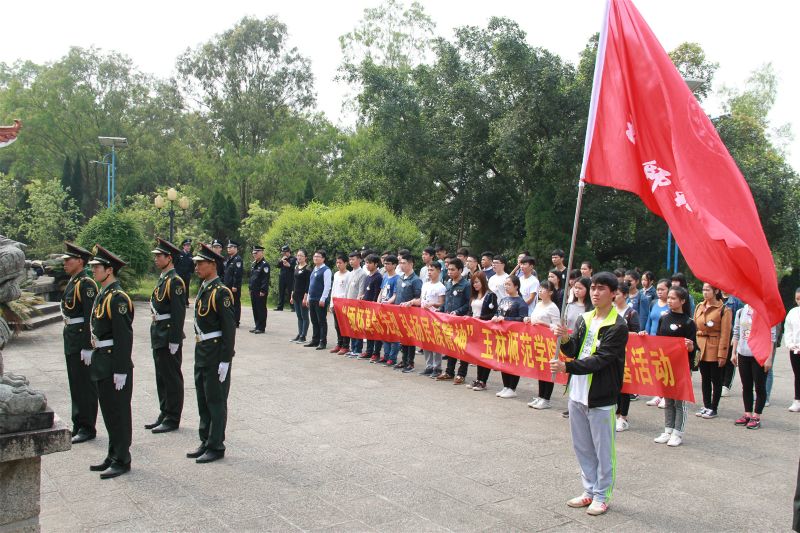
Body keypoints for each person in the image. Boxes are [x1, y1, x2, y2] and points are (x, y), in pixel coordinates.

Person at [550, 272, 628, 516]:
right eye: (592, 288)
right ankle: (589, 490)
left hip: (601, 395)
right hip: (578, 392)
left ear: (613, 293)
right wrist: (564, 339)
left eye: (601, 288)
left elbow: (601, 360)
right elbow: (575, 349)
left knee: (603, 449)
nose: (595, 292)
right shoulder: (584, 318)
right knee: (582, 446)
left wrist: (567, 367)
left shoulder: (618, 325)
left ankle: (602, 495)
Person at [87, 245, 134, 479]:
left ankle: (122, 458)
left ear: (109, 270)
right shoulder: (103, 294)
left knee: (119, 413)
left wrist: (121, 369)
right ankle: (113, 454)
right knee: (108, 412)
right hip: (101, 361)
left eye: (97, 267)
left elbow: (124, 337)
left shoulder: (118, 298)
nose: (93, 270)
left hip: (113, 362)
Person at [187, 243, 236, 464]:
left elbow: (228, 328)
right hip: (203, 350)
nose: (196, 267)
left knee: (215, 400)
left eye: (200, 263)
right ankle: (205, 439)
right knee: (202, 398)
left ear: (212, 265)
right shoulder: (205, 288)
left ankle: (216, 444)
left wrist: (226, 359)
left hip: (216, 352)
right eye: (196, 263)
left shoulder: (221, 292)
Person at [146, 238, 187, 435]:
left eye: (159, 256)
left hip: (168, 333)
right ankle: (164, 411)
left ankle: (173, 416)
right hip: (158, 332)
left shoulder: (175, 281)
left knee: (171, 377)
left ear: (169, 258)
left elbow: (178, 313)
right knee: (161, 376)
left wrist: (175, 339)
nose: (156, 259)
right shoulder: (164, 278)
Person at [59, 242, 99, 444]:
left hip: (81, 340)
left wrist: (88, 346)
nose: (65, 263)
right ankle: (78, 423)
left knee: (85, 385)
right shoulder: (75, 281)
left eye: (69, 260)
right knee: (75, 384)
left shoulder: (86, 284)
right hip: (71, 338)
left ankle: (87, 426)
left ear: (80, 262)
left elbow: (90, 317)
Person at [648, 286, 696, 447]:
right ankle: (668, 430)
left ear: (683, 301)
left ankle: (678, 433)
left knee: (679, 401)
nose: (669, 300)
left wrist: (690, 347)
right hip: (665, 364)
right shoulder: (664, 318)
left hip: (681, 367)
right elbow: (659, 341)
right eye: (668, 297)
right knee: (668, 399)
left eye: (673, 298)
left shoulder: (689, 322)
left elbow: (693, 348)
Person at [731, 303, 776, 430]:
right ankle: (747, 414)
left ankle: (756, 416)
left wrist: (769, 357)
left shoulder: (765, 312)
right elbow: (736, 332)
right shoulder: (741, 311)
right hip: (743, 353)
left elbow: (771, 337)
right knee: (746, 385)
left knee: (760, 386)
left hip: (759, 354)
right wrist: (733, 352)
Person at [693, 283, 732, 419]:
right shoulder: (699, 306)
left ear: (716, 291)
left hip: (714, 346)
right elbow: (694, 326)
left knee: (716, 379)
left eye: (707, 290)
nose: (705, 292)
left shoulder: (724, 309)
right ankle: (706, 405)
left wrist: (722, 354)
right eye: (703, 289)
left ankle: (713, 407)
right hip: (701, 345)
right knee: (704, 378)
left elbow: (725, 334)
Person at [525, 280, 561, 409]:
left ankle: (546, 398)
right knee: (540, 369)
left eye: (544, 289)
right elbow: (534, 318)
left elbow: (557, 327)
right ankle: (540, 396)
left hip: (548, 343)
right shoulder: (539, 304)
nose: (540, 291)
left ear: (550, 292)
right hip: (537, 341)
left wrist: (543, 324)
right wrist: (529, 319)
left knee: (548, 370)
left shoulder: (553, 307)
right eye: (539, 289)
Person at [435, 258, 471, 381]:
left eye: (452, 269)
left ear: (460, 270)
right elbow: (446, 301)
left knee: (462, 348)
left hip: (461, 321)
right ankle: (449, 372)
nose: (449, 272)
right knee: (450, 346)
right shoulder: (448, 283)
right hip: (448, 321)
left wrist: (457, 312)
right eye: (448, 269)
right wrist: (440, 310)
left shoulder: (466, 285)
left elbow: (468, 303)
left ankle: (461, 374)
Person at [492, 275, 528, 398]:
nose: (506, 287)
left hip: (514, 336)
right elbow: (498, 311)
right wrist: (496, 317)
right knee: (503, 359)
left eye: (509, 284)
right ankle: (506, 386)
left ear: (516, 286)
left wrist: (506, 319)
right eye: (505, 284)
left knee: (512, 361)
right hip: (502, 335)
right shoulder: (503, 300)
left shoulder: (521, 303)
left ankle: (512, 387)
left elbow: (522, 319)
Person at [612, 282, 639, 432]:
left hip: (627, 353)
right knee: (614, 384)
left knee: (625, 386)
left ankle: (623, 417)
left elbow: (636, 333)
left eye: (617, 294)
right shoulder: (609, 311)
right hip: (611, 353)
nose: (614, 296)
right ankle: (615, 414)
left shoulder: (631, 313)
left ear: (625, 295)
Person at [468, 271, 497, 391]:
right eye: (473, 283)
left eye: (477, 282)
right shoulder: (474, 296)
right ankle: (478, 379)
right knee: (478, 355)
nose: (475, 285)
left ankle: (483, 381)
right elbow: (471, 310)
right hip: (475, 328)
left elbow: (493, 313)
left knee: (485, 355)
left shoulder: (490, 295)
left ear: (483, 282)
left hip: (486, 329)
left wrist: (481, 318)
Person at [644, 279, 671, 409]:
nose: (659, 292)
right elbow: (649, 321)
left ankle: (667, 396)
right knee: (656, 369)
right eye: (658, 289)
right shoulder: (654, 303)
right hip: (653, 340)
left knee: (666, 369)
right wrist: (647, 336)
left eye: (663, 289)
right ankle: (658, 394)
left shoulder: (671, 306)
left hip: (665, 342)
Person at [416, 261, 446, 376]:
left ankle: (437, 367)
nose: (429, 272)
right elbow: (421, 299)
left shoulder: (441, 287)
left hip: (435, 317)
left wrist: (433, 304)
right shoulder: (425, 284)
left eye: (432, 270)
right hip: (423, 316)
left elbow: (441, 303)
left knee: (435, 342)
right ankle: (428, 366)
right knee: (425, 342)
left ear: (438, 271)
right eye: (428, 270)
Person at [396, 252, 423, 373]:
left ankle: (410, 362)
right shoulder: (400, 278)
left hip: (411, 314)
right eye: (400, 263)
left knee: (410, 338)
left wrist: (410, 303)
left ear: (411, 264)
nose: (401, 265)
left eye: (404, 263)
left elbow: (419, 299)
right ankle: (404, 359)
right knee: (402, 338)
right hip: (399, 313)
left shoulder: (416, 280)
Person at [304, 250, 332, 350]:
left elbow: (327, 286)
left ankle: (322, 341)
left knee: (321, 321)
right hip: (312, 299)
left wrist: (323, 298)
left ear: (323, 258)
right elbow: (310, 285)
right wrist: (308, 297)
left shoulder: (326, 270)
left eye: (318, 256)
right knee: (314, 320)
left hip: (320, 299)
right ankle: (315, 340)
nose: (315, 258)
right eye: (314, 256)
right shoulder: (314, 269)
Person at [376, 254, 400, 365]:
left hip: (391, 309)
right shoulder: (385, 276)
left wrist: (387, 303)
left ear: (394, 265)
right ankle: (385, 355)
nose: (385, 265)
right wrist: (378, 302)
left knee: (393, 334)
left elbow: (395, 295)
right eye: (385, 263)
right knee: (384, 332)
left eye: (388, 264)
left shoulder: (397, 278)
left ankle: (392, 357)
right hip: (383, 308)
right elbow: (381, 291)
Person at [360, 254, 384, 361]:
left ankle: (376, 352)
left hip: (374, 308)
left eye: (370, 263)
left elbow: (376, 293)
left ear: (376, 264)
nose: (367, 265)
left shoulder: (378, 277)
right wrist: (362, 296)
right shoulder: (367, 276)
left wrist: (374, 306)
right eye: (366, 262)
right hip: (366, 307)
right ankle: (369, 351)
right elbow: (367, 291)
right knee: (368, 329)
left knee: (376, 331)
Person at [721, 290, 745, 397]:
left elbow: (738, 322)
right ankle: (719, 383)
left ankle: (726, 385)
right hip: (718, 335)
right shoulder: (716, 299)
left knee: (729, 360)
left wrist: (736, 337)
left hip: (730, 335)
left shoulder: (736, 302)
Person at [343, 251, 367, 356]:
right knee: (351, 327)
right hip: (348, 304)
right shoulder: (350, 273)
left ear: (359, 260)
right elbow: (347, 289)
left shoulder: (362, 274)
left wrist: (358, 303)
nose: (351, 261)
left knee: (358, 327)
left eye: (353, 259)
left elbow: (361, 291)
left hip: (357, 305)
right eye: (350, 259)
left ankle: (358, 349)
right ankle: (353, 348)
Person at [330, 254, 351, 354]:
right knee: (337, 325)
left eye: (340, 263)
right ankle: (339, 343)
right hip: (336, 303)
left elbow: (348, 291)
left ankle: (346, 346)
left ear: (346, 263)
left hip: (344, 304)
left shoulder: (349, 275)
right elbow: (333, 289)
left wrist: (346, 303)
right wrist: (331, 303)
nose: (338, 265)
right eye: (337, 262)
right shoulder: (336, 274)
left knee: (344, 325)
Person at [290, 249, 311, 344]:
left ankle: (303, 335)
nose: (299, 257)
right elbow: (294, 282)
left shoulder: (308, 269)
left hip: (303, 295)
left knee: (304, 316)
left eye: (301, 255)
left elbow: (308, 285)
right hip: (296, 295)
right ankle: (299, 333)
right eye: (298, 255)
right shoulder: (296, 267)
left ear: (305, 257)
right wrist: (292, 295)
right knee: (299, 316)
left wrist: (306, 297)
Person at [784, 288, 800, 412]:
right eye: (797, 299)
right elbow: (788, 330)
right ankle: (797, 400)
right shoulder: (793, 312)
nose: (799, 301)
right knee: (797, 375)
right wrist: (790, 344)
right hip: (795, 350)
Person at [248, 245, 270, 334]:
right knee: (255, 308)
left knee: (261, 309)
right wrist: (250, 288)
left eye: (256, 253)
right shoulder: (254, 264)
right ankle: (257, 325)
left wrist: (263, 290)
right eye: (253, 253)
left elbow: (265, 279)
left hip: (260, 291)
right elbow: (252, 277)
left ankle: (261, 327)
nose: (254, 254)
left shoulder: (265, 264)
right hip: (253, 290)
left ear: (261, 252)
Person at [223, 240, 243, 327]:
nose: (228, 249)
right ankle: (230, 320)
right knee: (229, 303)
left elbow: (237, 274)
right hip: (227, 285)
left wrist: (235, 285)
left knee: (235, 304)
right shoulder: (230, 259)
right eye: (228, 247)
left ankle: (236, 321)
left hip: (233, 286)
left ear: (235, 248)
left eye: (230, 247)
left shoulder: (237, 259)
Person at [275, 245, 296, 311]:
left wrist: (289, 265)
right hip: (282, 277)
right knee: (281, 292)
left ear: (288, 252)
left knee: (290, 292)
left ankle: (293, 307)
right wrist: (281, 260)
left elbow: (295, 268)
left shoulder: (293, 259)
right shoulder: (282, 258)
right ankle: (280, 307)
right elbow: (277, 266)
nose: (283, 253)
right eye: (283, 252)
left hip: (290, 278)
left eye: (285, 252)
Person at [174, 238, 194, 306]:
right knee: (179, 288)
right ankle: (178, 301)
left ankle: (186, 301)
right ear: (183, 246)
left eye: (189, 246)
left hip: (187, 275)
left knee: (186, 288)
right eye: (187, 245)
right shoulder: (179, 254)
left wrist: (191, 274)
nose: (188, 247)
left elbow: (192, 267)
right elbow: (175, 264)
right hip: (179, 275)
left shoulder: (191, 256)